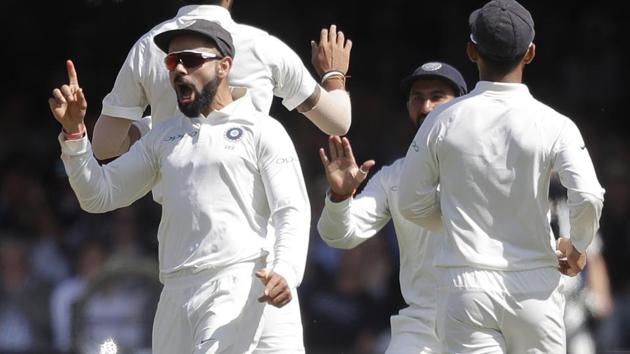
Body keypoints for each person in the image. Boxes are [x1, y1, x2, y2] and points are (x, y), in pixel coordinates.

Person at [48, 20, 310, 354]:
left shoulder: (262, 130)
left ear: (225, 65)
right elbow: (99, 195)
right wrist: (74, 136)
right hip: (173, 293)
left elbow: (292, 209)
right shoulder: (163, 137)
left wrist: (285, 270)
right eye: (172, 62)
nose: (179, 69)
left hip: (236, 281)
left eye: (191, 59)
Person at [397, 0, 605, 352]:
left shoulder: (440, 121)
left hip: (465, 288)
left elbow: (410, 203)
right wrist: (578, 247)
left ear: (471, 51)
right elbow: (588, 195)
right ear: (531, 53)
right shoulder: (555, 123)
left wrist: (460, 218)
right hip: (536, 290)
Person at [317, 62, 467, 353]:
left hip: (480, 319)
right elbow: (338, 235)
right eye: (417, 97)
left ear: (462, 104)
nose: (425, 106)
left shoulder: (488, 167)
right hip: (420, 323)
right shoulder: (393, 177)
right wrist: (340, 196)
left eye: (437, 96)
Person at [92, 0, 352, 160]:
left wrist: (156, 125)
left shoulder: (148, 47)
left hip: (179, 231)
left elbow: (105, 147)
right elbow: (337, 122)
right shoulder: (264, 46)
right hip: (252, 230)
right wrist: (334, 75)